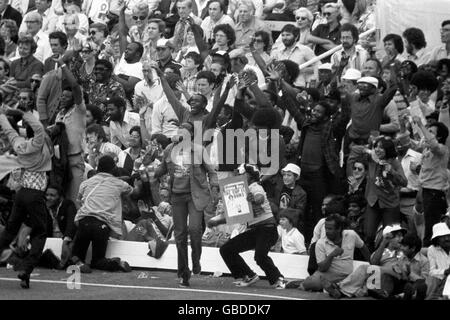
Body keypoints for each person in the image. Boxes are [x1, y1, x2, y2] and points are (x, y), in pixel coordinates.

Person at [149, 122, 219, 287]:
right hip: (177, 197)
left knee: (195, 230)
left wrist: (215, 189)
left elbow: (211, 171)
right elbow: (160, 171)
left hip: (195, 196)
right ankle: (184, 273)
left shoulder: (199, 150)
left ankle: (196, 260)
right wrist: (150, 159)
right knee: (180, 236)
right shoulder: (169, 150)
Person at [0, 105, 52, 289]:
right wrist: (25, 112)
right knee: (41, 232)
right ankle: (26, 269)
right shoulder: (39, 143)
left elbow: (8, 130)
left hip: (21, 194)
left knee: (9, 231)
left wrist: (1, 114)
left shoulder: (19, 144)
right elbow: (39, 128)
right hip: (35, 195)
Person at [214, 164, 287, 289]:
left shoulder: (254, 186)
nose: (239, 176)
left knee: (260, 256)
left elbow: (260, 197)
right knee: (226, 249)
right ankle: (248, 275)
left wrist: (253, 199)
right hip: (255, 230)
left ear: (250, 176)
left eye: (242, 174)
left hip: (267, 229)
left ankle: (279, 278)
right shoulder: (242, 189)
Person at [69, 155, 134, 273]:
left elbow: (79, 201)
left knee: (76, 255)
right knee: (98, 260)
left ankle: (78, 264)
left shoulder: (86, 183)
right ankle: (116, 263)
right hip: (102, 225)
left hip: (84, 221)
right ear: (114, 169)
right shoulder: (120, 184)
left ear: (98, 168)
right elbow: (131, 191)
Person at [300, 214, 371, 292]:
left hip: (349, 275)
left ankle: (336, 287)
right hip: (328, 275)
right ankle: (339, 287)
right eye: (326, 228)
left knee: (365, 275)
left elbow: (363, 247)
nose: (327, 231)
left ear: (339, 229)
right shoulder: (320, 243)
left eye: (330, 229)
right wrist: (332, 255)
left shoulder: (351, 234)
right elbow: (322, 268)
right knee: (307, 285)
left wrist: (371, 262)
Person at [413, 117, 449, 246]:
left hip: (435, 193)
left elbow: (433, 144)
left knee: (433, 228)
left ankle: (432, 255)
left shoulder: (442, 149)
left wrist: (421, 125)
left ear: (439, 137)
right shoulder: (427, 150)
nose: (426, 134)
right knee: (428, 225)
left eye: (431, 132)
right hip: (427, 192)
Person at [427, 222, 450, 299]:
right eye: (442, 237)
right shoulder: (432, 250)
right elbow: (432, 271)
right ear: (436, 239)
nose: (447, 239)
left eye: (447, 236)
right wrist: (445, 271)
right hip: (441, 280)